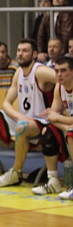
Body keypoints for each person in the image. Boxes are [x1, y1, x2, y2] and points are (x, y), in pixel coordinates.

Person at [0, 38, 56, 187]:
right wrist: (19, 116)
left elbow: (65, 79)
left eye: (25, 51)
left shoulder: (40, 71)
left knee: (21, 126)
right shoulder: (18, 73)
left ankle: (16, 172)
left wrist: (56, 108)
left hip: (41, 121)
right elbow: (6, 103)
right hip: (23, 118)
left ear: (34, 54)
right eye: (19, 50)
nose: (20, 54)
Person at [31, 55, 73, 197]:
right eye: (56, 71)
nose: (59, 74)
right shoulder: (59, 88)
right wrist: (66, 126)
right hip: (69, 125)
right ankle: (53, 181)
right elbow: (51, 117)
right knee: (48, 131)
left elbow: (56, 116)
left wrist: (60, 119)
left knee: (72, 134)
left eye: (63, 71)